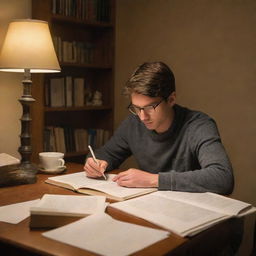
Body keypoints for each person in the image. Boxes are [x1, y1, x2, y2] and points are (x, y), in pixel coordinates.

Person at [84, 61, 234, 195]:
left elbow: (222, 178)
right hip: (152, 206)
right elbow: (106, 153)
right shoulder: (133, 123)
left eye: (150, 107)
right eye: (136, 108)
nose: (142, 117)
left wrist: (154, 180)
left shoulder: (199, 125)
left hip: (191, 212)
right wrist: (94, 163)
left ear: (171, 99)